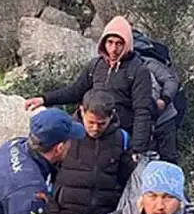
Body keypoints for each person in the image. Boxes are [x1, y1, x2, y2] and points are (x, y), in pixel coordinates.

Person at [26, 16, 155, 159]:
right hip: (87, 127)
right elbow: (75, 91)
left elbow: (142, 111)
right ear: (103, 42)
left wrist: (137, 150)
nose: (113, 49)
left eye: (119, 44)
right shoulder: (95, 65)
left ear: (127, 44)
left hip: (116, 134)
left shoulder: (138, 71)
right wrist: (44, 99)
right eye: (110, 42)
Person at [45, 89, 135, 214]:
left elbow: (127, 181)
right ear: (81, 111)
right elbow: (47, 170)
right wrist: (51, 210)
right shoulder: (65, 134)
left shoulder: (122, 139)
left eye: (101, 124)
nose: (94, 128)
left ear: (111, 117)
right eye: (91, 122)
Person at [133, 29, 182, 163]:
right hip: (142, 122)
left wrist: (164, 100)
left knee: (168, 158)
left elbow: (171, 80)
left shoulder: (148, 63)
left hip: (163, 118)